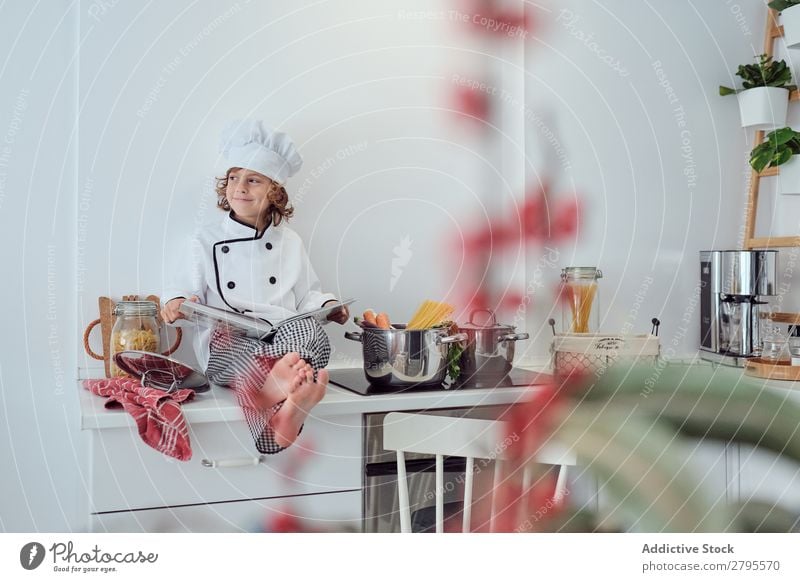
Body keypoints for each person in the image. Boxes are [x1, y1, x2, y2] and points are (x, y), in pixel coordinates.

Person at [161, 120, 349, 453]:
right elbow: (181, 290)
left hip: (283, 341)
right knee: (259, 357)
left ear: (275, 191)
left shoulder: (290, 242)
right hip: (228, 344)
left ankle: (283, 397)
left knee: (312, 335)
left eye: (253, 180)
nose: (240, 187)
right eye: (234, 178)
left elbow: (308, 296)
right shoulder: (204, 241)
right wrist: (175, 303)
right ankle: (286, 388)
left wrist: (329, 307)